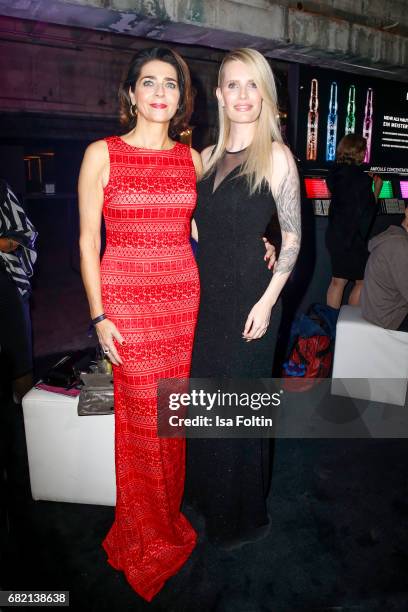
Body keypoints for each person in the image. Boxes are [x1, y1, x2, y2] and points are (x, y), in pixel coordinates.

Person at [78, 47, 202, 601]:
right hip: (127, 304)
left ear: (180, 97)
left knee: (170, 416)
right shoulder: (101, 154)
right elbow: (87, 242)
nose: (159, 92)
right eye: (148, 82)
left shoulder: (190, 159)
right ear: (130, 93)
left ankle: (165, 521)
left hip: (180, 302)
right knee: (139, 423)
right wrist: (99, 315)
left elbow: (205, 233)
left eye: (169, 84)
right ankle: (142, 536)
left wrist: (265, 244)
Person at [185, 48, 301, 548]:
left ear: (265, 94)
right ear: (218, 94)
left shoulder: (276, 156)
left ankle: (242, 518)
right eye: (233, 85)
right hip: (207, 300)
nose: (242, 95)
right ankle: (207, 501)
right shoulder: (207, 157)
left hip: (252, 301)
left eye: (252, 85)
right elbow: (193, 226)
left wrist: (268, 300)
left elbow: (293, 238)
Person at [326, 134, 383, 309]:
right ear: (358, 152)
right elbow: (366, 214)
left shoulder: (333, 174)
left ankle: (331, 327)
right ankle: (348, 328)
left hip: (335, 235)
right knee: (362, 281)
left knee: (337, 281)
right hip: (352, 238)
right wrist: (377, 189)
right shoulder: (362, 180)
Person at [0, 179, 37, 402]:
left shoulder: (1, 189)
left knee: (20, 359)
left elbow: (23, 234)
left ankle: (26, 422)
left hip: (5, 281)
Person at [360, 207, 408, 331]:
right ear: (407, 212)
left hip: (380, 312)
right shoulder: (400, 246)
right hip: (388, 319)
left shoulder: (395, 237)